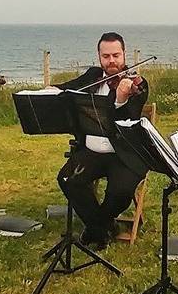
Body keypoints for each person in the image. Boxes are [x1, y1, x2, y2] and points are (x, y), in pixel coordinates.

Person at [53, 32, 149, 249]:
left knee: (121, 192)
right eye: (106, 56)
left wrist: (121, 99)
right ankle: (104, 227)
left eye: (116, 55)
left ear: (124, 54)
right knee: (68, 179)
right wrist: (51, 90)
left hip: (123, 154)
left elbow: (131, 117)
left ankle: (97, 227)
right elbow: (69, 88)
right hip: (91, 151)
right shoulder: (93, 76)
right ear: (99, 57)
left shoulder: (137, 84)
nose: (111, 61)